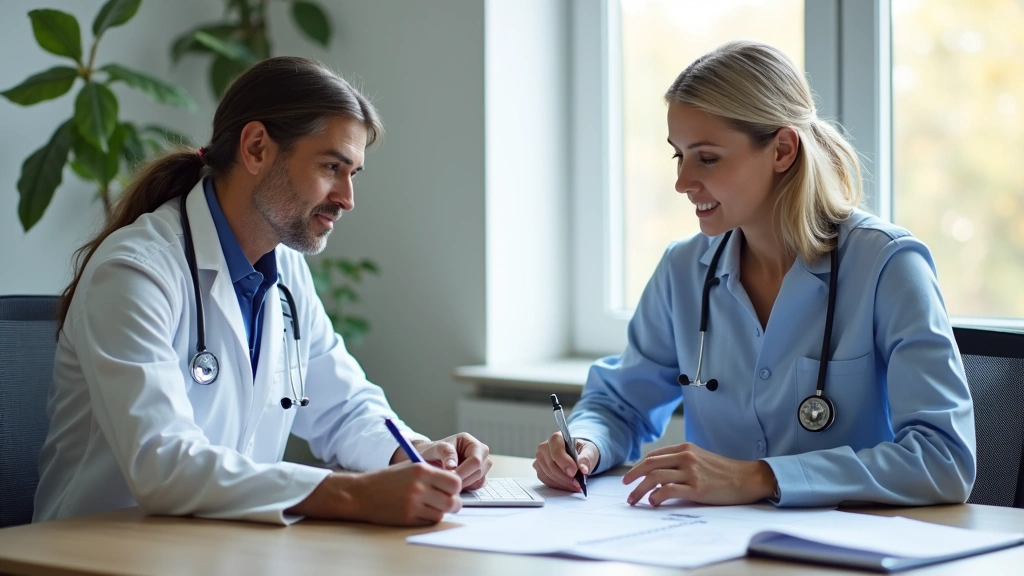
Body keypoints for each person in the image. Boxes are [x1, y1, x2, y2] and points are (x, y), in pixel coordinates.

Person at [34, 56, 491, 526]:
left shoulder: (286, 272)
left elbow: (344, 407)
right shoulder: (135, 272)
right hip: (98, 554)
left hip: (221, 547)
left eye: (353, 173)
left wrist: (415, 452)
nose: (347, 198)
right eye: (331, 166)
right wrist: (352, 495)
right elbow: (163, 463)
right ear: (255, 148)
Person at [533, 41, 976, 508]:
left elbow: (943, 459)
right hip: (717, 546)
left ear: (783, 149)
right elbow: (620, 405)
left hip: (849, 550)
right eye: (677, 156)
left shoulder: (888, 266)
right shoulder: (683, 270)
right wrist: (584, 444)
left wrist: (762, 477)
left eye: (706, 157)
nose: (683, 182)